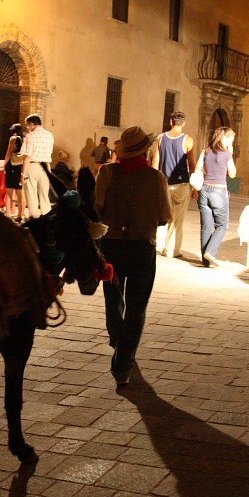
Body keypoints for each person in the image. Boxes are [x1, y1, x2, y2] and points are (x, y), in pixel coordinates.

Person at [94, 127, 171, 386]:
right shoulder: (155, 178)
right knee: (137, 307)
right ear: (145, 151)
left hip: (112, 245)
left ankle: (117, 338)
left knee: (113, 298)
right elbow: (164, 217)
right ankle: (122, 365)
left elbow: (97, 207)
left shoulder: (106, 172)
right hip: (141, 247)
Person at [150, 110, 195, 258]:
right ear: (184, 123)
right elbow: (192, 164)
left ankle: (158, 245)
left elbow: (155, 162)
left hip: (163, 183)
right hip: (181, 184)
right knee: (177, 219)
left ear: (170, 121)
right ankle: (171, 250)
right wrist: (194, 186)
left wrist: (154, 182)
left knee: (161, 216)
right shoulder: (188, 140)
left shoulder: (161, 138)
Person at [196, 126, 237, 267]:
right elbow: (232, 174)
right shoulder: (226, 154)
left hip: (204, 190)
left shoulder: (205, 151)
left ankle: (205, 260)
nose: (232, 142)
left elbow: (197, 168)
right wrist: (230, 154)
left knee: (206, 226)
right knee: (222, 225)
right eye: (231, 139)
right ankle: (211, 252)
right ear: (224, 138)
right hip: (219, 192)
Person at [20, 114, 54, 219]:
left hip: (32, 165)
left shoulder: (30, 136)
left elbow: (27, 156)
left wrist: (23, 174)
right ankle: (48, 218)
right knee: (44, 195)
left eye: (27, 125)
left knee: (31, 194)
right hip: (46, 166)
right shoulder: (50, 135)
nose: (27, 128)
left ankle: (34, 219)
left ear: (32, 124)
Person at [3, 123, 26, 222]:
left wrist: (4, 164)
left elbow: (9, 152)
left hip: (12, 166)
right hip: (21, 165)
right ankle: (20, 214)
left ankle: (8, 213)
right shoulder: (25, 138)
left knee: (9, 191)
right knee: (20, 192)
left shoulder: (13, 138)